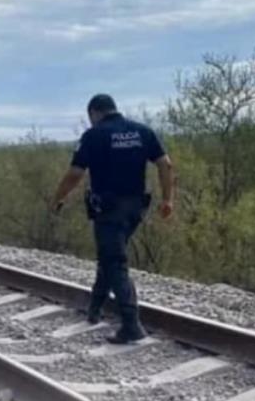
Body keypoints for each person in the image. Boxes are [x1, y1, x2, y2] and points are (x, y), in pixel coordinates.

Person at [51, 94, 174, 344]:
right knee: (110, 256)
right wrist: (168, 199)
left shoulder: (94, 135)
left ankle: (131, 325)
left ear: (94, 113)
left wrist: (57, 198)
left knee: (114, 262)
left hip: (109, 209)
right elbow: (166, 165)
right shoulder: (142, 131)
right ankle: (94, 310)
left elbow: (75, 173)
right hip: (136, 208)